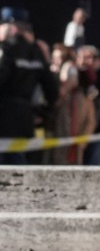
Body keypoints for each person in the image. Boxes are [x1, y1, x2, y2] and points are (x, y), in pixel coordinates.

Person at [0, 9, 53, 163]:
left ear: (11, 27)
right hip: (24, 118)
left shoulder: (5, 49)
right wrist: (45, 112)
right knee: (18, 162)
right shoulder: (36, 52)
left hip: (4, 116)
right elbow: (51, 87)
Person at [51, 52, 94, 164]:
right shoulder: (61, 99)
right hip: (57, 147)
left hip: (75, 151)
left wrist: (82, 143)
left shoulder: (84, 98)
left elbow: (90, 121)